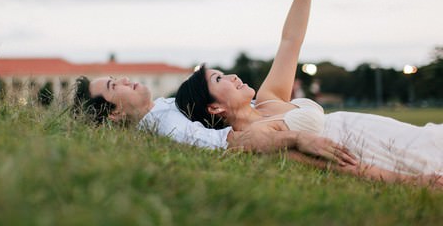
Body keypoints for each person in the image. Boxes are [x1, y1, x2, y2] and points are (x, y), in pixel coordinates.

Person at [175, 0, 443, 187]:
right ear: (214, 108)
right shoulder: (256, 138)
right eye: (219, 78)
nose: (233, 76)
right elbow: (342, 168)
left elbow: (291, 40)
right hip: (382, 151)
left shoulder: (269, 98)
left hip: (382, 130)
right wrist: (413, 182)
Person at [72, 74, 357, 165]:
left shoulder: (162, 107)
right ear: (115, 113)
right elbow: (228, 142)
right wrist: (295, 137)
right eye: (113, 87)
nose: (123, 79)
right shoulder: (164, 125)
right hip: (326, 131)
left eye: (114, 77)